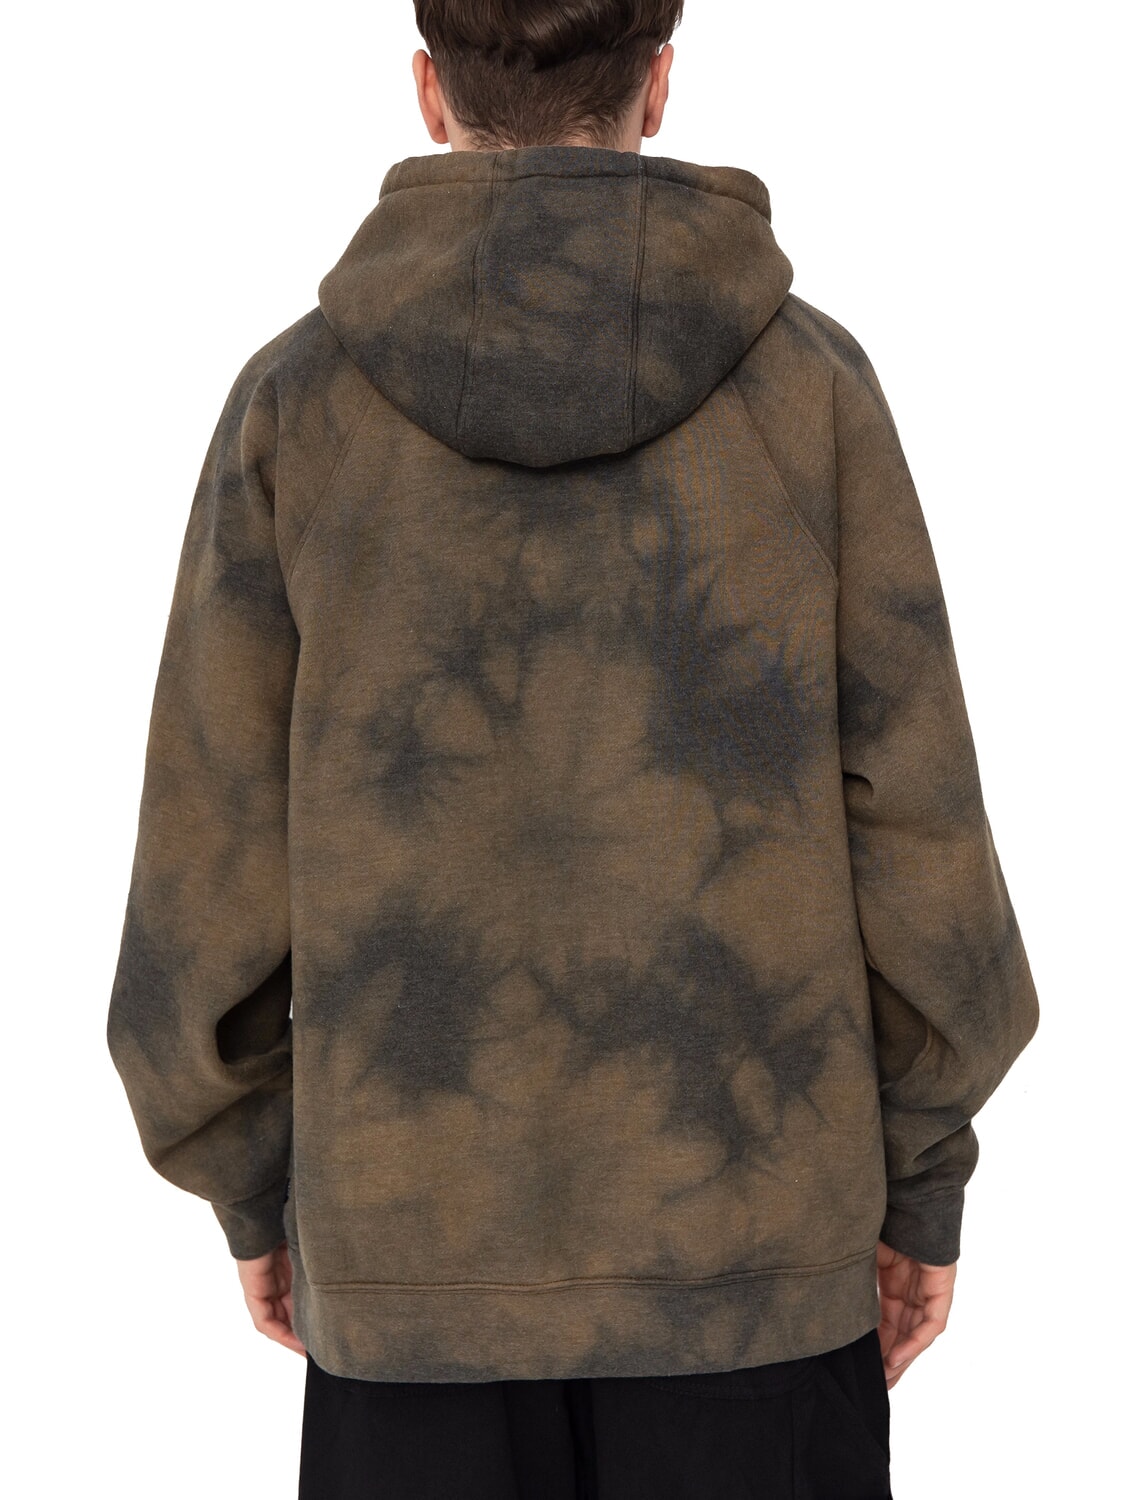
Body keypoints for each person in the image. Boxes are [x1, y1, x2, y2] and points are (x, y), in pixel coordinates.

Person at [105, 2, 1040, 1496]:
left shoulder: (297, 407)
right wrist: (920, 1183)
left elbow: (205, 857)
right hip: (754, 1273)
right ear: (658, 84)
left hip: (412, 1282)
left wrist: (255, 1188)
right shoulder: (810, 393)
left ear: (429, 91)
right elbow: (917, 825)